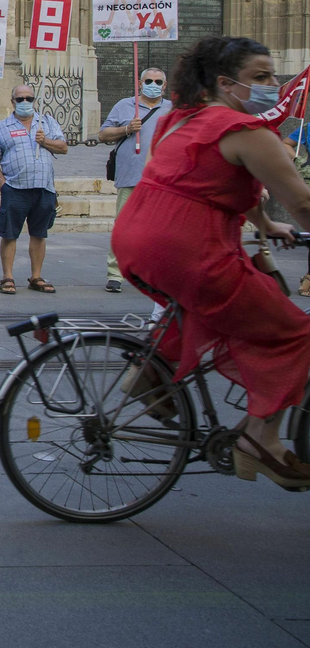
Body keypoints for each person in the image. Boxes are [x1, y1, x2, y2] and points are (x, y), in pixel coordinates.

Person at [112, 36, 310, 488]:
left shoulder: (181, 119)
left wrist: (263, 223)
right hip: (190, 247)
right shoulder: (248, 132)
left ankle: (152, 373)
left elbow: (221, 180)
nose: (272, 85)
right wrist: (284, 220)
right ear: (226, 83)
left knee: (211, 305)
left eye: (271, 75)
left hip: (138, 236)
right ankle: (261, 440)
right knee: (295, 333)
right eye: (260, 77)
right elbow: (302, 204)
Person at [0, 83, 69, 295]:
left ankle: (36, 275)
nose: (24, 102)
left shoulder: (47, 123)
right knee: (10, 234)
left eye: (28, 99)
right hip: (15, 187)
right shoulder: (2, 127)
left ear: (35, 101)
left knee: (39, 234)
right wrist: (2, 184)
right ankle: (8, 277)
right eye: (20, 99)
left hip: (44, 188)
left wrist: (45, 140)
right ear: (12, 102)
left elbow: (63, 147)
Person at [101, 66, 172, 292]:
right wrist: (127, 128)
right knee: (124, 226)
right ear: (140, 83)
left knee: (159, 231)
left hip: (162, 181)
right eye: (149, 81)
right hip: (130, 177)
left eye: (158, 82)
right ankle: (115, 273)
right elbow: (103, 134)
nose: (153, 85)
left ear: (165, 86)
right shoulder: (124, 105)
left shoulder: (171, 109)